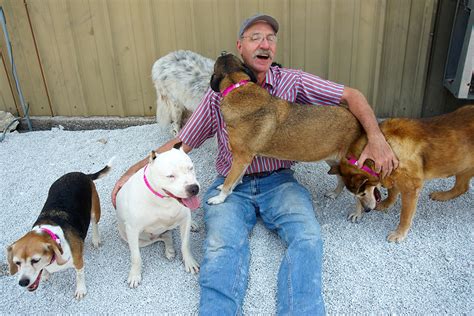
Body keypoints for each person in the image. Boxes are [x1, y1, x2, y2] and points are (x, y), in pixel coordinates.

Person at [112, 13, 398, 315]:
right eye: (255, 38)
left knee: (308, 238)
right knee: (220, 245)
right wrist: (133, 171)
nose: (265, 44)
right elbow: (184, 141)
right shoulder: (217, 95)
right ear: (240, 48)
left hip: (280, 181)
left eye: (270, 38)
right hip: (232, 186)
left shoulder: (292, 80)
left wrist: (376, 137)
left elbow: (351, 96)